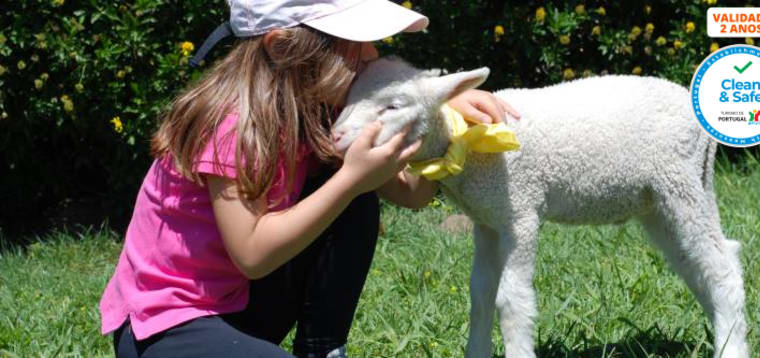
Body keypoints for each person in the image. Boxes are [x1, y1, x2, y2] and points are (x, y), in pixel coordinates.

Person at [99, 1, 519, 357]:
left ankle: (323, 348)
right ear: (284, 49)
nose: (372, 54)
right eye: (355, 43)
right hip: (168, 324)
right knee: (348, 186)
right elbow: (253, 254)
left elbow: (412, 194)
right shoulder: (231, 122)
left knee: (354, 195)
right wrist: (350, 179)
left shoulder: (322, 104)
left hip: (244, 301)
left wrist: (437, 108)